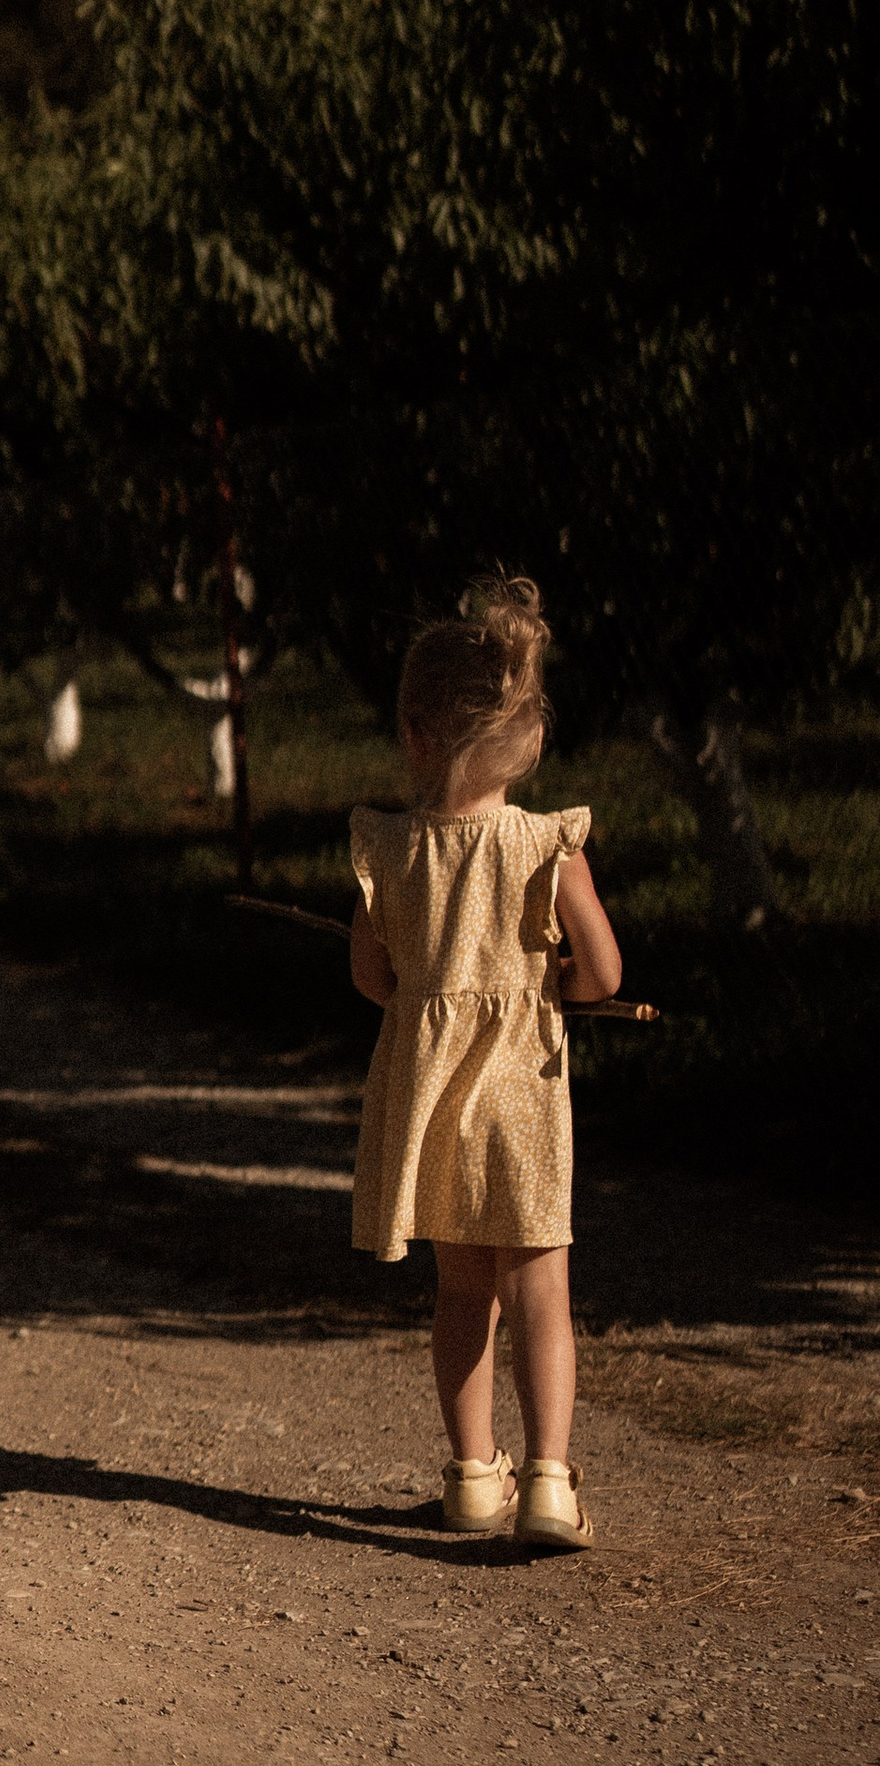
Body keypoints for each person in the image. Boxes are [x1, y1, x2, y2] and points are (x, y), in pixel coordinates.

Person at [348, 576, 621, 1551]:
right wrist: (550, 982)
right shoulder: (550, 848)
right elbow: (601, 974)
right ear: (528, 733)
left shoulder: (390, 849)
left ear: (416, 735)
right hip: (524, 1109)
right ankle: (547, 1482)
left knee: (463, 1291)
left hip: (435, 1113)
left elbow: (372, 980)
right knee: (539, 1289)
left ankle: (471, 1478)